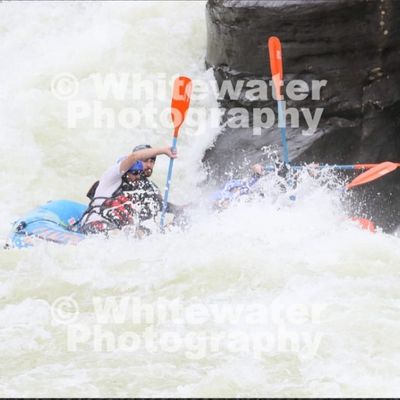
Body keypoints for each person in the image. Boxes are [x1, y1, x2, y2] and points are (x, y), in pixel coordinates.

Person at [79, 144, 185, 236]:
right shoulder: (112, 177)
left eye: (139, 173)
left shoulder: (145, 188)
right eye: (134, 173)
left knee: (141, 233)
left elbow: (158, 207)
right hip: (97, 224)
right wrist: (162, 150)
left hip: (118, 228)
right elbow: (133, 157)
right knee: (118, 234)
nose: (137, 176)